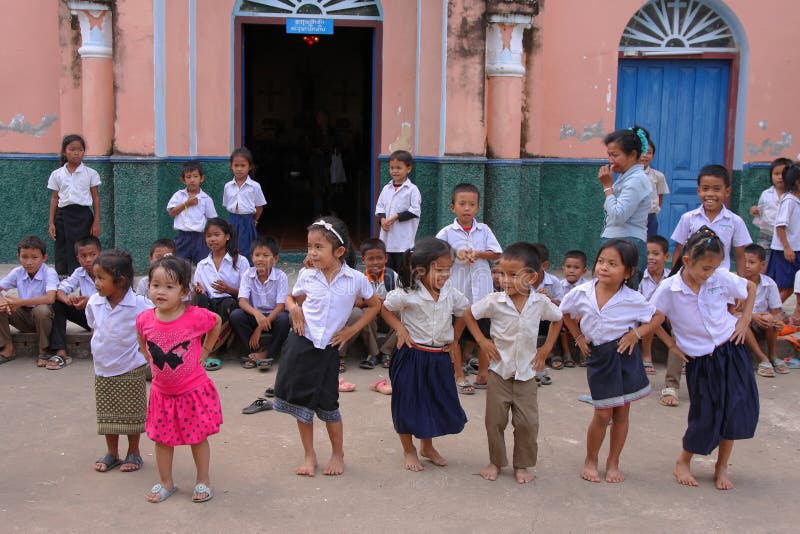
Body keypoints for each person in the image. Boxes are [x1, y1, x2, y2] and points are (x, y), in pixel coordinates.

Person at [651, 226, 759, 490]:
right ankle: (684, 460)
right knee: (705, 413)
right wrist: (672, 346)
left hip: (730, 348)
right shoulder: (670, 288)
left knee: (733, 410)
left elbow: (750, 286)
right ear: (687, 261)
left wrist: (744, 321)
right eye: (705, 268)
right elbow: (652, 320)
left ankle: (721, 467)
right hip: (701, 359)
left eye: (714, 267)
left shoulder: (719, 277)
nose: (709, 274)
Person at [274, 217, 380, 477]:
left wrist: (352, 330)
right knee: (300, 401)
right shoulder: (307, 275)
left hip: (329, 350)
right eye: (310, 246)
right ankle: (309, 455)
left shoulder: (355, 279)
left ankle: (337, 453)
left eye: (319, 247)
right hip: (301, 343)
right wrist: (293, 309)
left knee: (329, 403)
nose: (312, 252)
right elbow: (290, 297)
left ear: (339, 251)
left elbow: (375, 305)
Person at [560, 239, 663, 483]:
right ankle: (591, 459)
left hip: (625, 356)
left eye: (613, 264)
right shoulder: (582, 292)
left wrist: (635, 334)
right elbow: (565, 312)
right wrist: (578, 336)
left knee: (622, 414)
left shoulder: (632, 298)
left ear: (627, 273)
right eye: (601, 262)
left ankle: (613, 462)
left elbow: (657, 317)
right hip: (600, 357)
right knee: (603, 413)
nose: (604, 267)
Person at [465, 242, 563, 484]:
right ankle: (496, 461)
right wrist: (483, 341)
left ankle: (522, 464)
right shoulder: (494, 301)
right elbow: (468, 314)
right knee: (494, 422)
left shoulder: (539, 303)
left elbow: (558, 319)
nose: (504, 280)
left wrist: (546, 348)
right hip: (499, 373)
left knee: (527, 423)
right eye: (501, 274)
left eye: (512, 275)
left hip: (527, 375)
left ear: (531, 277)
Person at [136, 256, 223, 503]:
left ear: (184, 291)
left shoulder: (194, 316)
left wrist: (205, 352)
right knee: (162, 440)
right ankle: (166, 482)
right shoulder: (144, 319)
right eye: (155, 285)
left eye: (169, 287)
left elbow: (216, 322)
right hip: (161, 393)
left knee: (197, 438)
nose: (160, 292)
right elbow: (141, 338)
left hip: (191, 391)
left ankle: (203, 481)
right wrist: (148, 358)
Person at [381, 237, 469, 472]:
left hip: (438, 358)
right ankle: (409, 449)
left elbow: (464, 311)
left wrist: (455, 339)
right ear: (420, 270)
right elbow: (385, 308)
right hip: (411, 356)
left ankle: (426, 447)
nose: (445, 275)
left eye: (448, 269)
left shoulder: (451, 292)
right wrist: (399, 328)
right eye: (439, 270)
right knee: (407, 403)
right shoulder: (407, 293)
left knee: (431, 403)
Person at [86, 249, 152, 474]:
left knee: (132, 414)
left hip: (130, 366)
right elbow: (93, 325)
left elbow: (153, 325)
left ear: (121, 280)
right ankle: (112, 453)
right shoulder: (95, 302)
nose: (96, 283)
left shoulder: (140, 305)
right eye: (95, 277)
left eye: (101, 278)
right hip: (103, 367)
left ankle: (134, 451)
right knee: (108, 415)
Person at [436, 183, 502, 393]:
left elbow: (497, 253)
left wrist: (479, 254)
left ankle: (483, 373)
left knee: (485, 333)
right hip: (457, 292)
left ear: (477, 207)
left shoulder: (484, 230)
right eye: (462, 204)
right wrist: (456, 254)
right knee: (454, 335)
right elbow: (436, 253)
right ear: (452, 207)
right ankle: (458, 374)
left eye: (472, 204)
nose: (467, 208)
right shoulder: (447, 232)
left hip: (482, 292)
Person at [671, 164, 752, 275]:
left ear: (727, 191)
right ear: (698, 191)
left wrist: (742, 285)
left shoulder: (735, 221)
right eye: (705, 189)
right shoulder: (688, 218)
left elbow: (740, 255)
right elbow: (679, 249)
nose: (710, 194)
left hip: (721, 278)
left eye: (717, 189)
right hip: (693, 275)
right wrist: (675, 278)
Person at [193, 218, 250, 371]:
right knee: (200, 301)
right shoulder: (202, 264)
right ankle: (204, 347)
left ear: (227, 236)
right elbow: (199, 288)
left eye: (216, 234)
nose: (212, 239)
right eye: (208, 236)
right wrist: (199, 291)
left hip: (231, 302)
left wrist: (228, 290)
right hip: (210, 303)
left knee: (227, 305)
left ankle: (214, 351)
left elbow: (247, 292)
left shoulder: (240, 261)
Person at [597, 127, 652, 286]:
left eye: (615, 155)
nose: (611, 160)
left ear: (633, 154)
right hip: (617, 241)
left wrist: (607, 187)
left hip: (628, 243)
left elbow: (618, 216)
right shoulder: (626, 177)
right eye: (609, 155)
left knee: (624, 297)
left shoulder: (636, 180)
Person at [231, 236, 289, 372]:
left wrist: (259, 329)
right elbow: (242, 301)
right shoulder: (248, 274)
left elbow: (281, 306)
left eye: (266, 255)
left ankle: (268, 355)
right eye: (257, 255)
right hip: (255, 316)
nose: (260, 259)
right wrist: (257, 313)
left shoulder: (281, 276)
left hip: (273, 317)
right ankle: (254, 351)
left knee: (284, 319)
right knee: (236, 315)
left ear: (275, 259)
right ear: (252, 257)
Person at [338, 238, 398, 370]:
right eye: (371, 259)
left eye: (379, 258)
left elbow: (400, 300)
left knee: (406, 314)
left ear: (386, 258)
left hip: (388, 317)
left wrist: (375, 301)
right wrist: (376, 301)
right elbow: (357, 303)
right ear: (363, 260)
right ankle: (374, 353)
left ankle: (386, 351)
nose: (375, 262)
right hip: (371, 319)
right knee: (364, 314)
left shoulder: (393, 277)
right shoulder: (359, 278)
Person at [47, 134, 101, 275]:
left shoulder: (91, 173)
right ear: (64, 152)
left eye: (80, 149)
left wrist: (96, 222)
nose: (76, 153)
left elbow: (95, 198)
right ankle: (62, 277)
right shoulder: (57, 174)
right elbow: (54, 199)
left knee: (82, 247)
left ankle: (81, 275)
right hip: (63, 215)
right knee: (62, 246)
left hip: (83, 216)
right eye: (72, 149)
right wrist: (51, 222)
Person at [0, 236, 58, 366]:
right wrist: (2, 300)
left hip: (45, 319)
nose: (29, 262)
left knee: (41, 309)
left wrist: (20, 302)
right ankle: (7, 348)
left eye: (34, 257)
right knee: (1, 306)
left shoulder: (49, 273)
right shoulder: (17, 272)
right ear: (18, 257)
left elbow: (50, 298)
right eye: (24, 257)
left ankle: (43, 350)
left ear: (44, 258)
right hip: (23, 316)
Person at [47, 236, 101, 370]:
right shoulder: (79, 272)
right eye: (83, 256)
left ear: (101, 254)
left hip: (107, 317)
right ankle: (61, 352)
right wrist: (67, 300)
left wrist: (90, 301)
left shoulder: (109, 270)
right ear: (78, 258)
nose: (88, 260)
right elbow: (60, 290)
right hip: (88, 317)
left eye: (92, 255)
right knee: (58, 304)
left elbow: (116, 297)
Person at [741, 244, 789, 377]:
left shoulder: (769, 284)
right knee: (740, 320)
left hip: (763, 325)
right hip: (743, 326)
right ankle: (763, 358)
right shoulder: (736, 283)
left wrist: (778, 321)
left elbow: (776, 312)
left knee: (770, 318)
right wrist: (752, 316)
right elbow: (732, 311)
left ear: (762, 265)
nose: (747, 265)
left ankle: (773, 355)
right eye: (744, 261)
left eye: (751, 262)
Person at [375, 150, 422, 272]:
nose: (394, 171)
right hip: (387, 240)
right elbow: (380, 206)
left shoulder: (412, 190)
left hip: (403, 242)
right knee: (388, 271)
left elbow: (415, 210)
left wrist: (396, 216)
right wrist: (383, 219)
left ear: (408, 169)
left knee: (403, 271)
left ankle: (403, 290)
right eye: (392, 168)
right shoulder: (386, 188)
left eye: (398, 168)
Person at [167, 162, 217, 265]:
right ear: (183, 180)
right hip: (183, 237)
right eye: (188, 177)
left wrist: (211, 237)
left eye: (195, 176)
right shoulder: (178, 195)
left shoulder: (206, 199)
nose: (192, 180)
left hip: (200, 238)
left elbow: (212, 220)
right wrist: (186, 204)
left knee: (203, 265)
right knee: (180, 266)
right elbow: (171, 213)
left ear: (201, 178)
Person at [223, 147, 266, 263]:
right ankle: (234, 273)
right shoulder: (228, 186)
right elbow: (227, 204)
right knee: (232, 248)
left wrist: (254, 220)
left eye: (243, 165)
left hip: (247, 221)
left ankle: (248, 275)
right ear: (231, 166)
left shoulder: (255, 186)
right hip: (232, 220)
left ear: (250, 167)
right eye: (236, 165)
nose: (239, 169)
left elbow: (259, 207)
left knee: (247, 250)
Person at [766, 163, 800, 302]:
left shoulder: (796, 200)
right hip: (786, 250)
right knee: (787, 285)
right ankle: (772, 311)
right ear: (798, 182)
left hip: (795, 248)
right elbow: (780, 226)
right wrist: (786, 247)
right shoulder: (789, 201)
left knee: (791, 284)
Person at [531, 243, 565, 375]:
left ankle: (550, 352)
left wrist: (549, 299)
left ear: (544, 265)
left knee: (556, 319)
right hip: (530, 318)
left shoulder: (554, 281)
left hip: (546, 320)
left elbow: (561, 306)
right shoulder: (521, 281)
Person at [750, 157, 792, 261]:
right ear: (771, 176)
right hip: (767, 234)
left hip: (787, 235)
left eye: (783, 174)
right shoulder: (766, 194)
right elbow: (760, 213)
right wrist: (755, 211)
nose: (780, 177)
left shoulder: (793, 195)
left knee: (783, 258)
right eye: (776, 174)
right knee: (764, 259)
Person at [639, 235, 669, 376]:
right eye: (647, 254)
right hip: (647, 317)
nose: (650, 257)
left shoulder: (671, 277)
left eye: (655, 254)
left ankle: (675, 358)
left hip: (667, 318)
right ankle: (646, 355)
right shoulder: (641, 278)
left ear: (666, 257)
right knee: (650, 317)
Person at [558, 250, 589, 366]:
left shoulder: (587, 287)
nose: (571, 270)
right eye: (568, 267)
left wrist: (580, 315)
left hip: (580, 318)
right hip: (564, 319)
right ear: (563, 268)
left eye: (576, 267)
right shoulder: (559, 285)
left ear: (584, 271)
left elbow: (589, 305)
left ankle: (583, 352)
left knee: (585, 323)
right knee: (562, 326)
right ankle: (567, 354)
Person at [640, 140, 669, 238]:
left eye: (649, 152)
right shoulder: (627, 175)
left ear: (653, 156)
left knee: (650, 244)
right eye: (642, 151)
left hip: (650, 217)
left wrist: (653, 209)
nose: (645, 155)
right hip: (632, 218)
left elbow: (660, 196)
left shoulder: (658, 176)